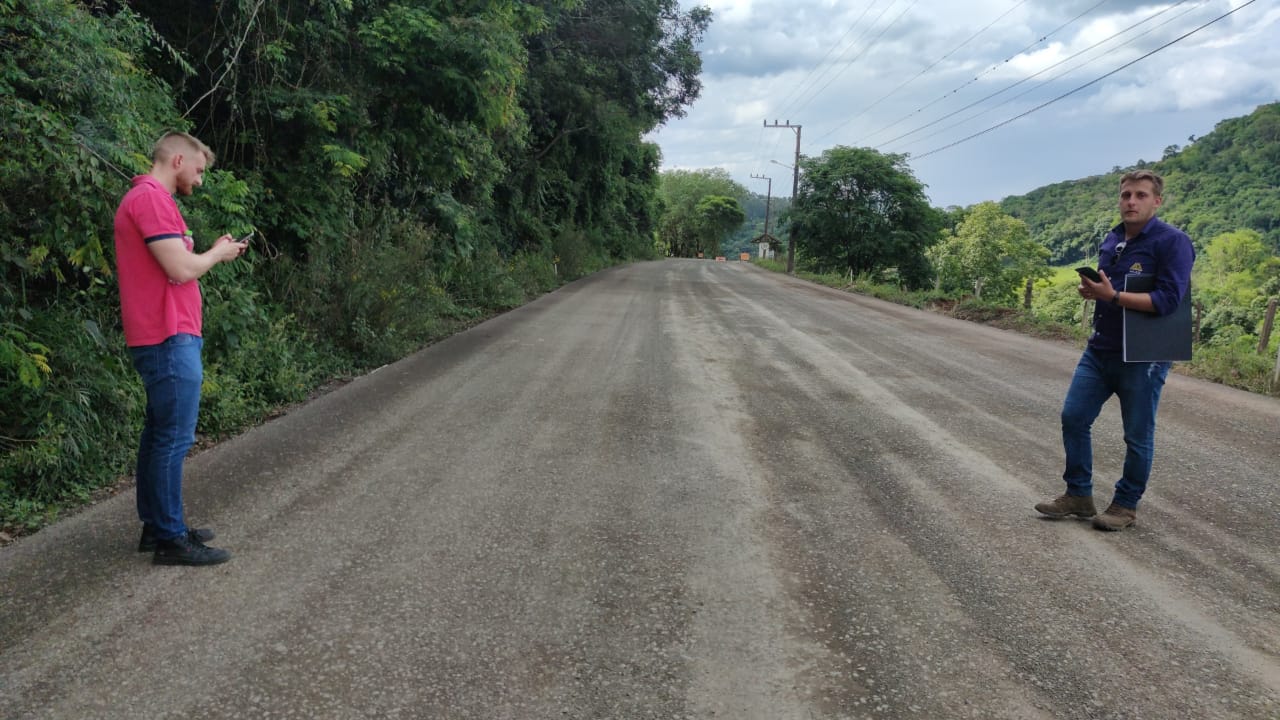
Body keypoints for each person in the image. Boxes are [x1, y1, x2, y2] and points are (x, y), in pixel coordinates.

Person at [114, 131, 248, 565]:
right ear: (176, 160)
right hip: (168, 336)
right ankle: (171, 539)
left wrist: (211, 253)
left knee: (159, 436)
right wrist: (216, 253)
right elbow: (180, 267)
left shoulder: (150, 199)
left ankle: (158, 527)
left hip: (165, 334)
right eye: (199, 170)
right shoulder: (151, 198)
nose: (200, 179)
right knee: (173, 438)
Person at [1035, 169, 1195, 531]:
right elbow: (1110, 289)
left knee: (1137, 435)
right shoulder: (1113, 239)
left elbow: (1169, 300)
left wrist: (1114, 296)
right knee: (1073, 417)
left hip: (1144, 356)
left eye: (1140, 195)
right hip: (1100, 348)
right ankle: (1079, 494)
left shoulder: (1173, 242)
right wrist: (1095, 292)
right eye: (1126, 195)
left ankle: (1125, 505)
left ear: (1157, 200)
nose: (1131, 202)